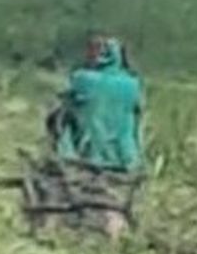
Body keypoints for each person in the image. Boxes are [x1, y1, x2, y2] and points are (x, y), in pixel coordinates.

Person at [51, 36, 143, 172]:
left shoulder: (82, 78)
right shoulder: (133, 83)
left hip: (87, 152)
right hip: (125, 157)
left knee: (63, 119)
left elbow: (65, 103)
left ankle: (69, 154)